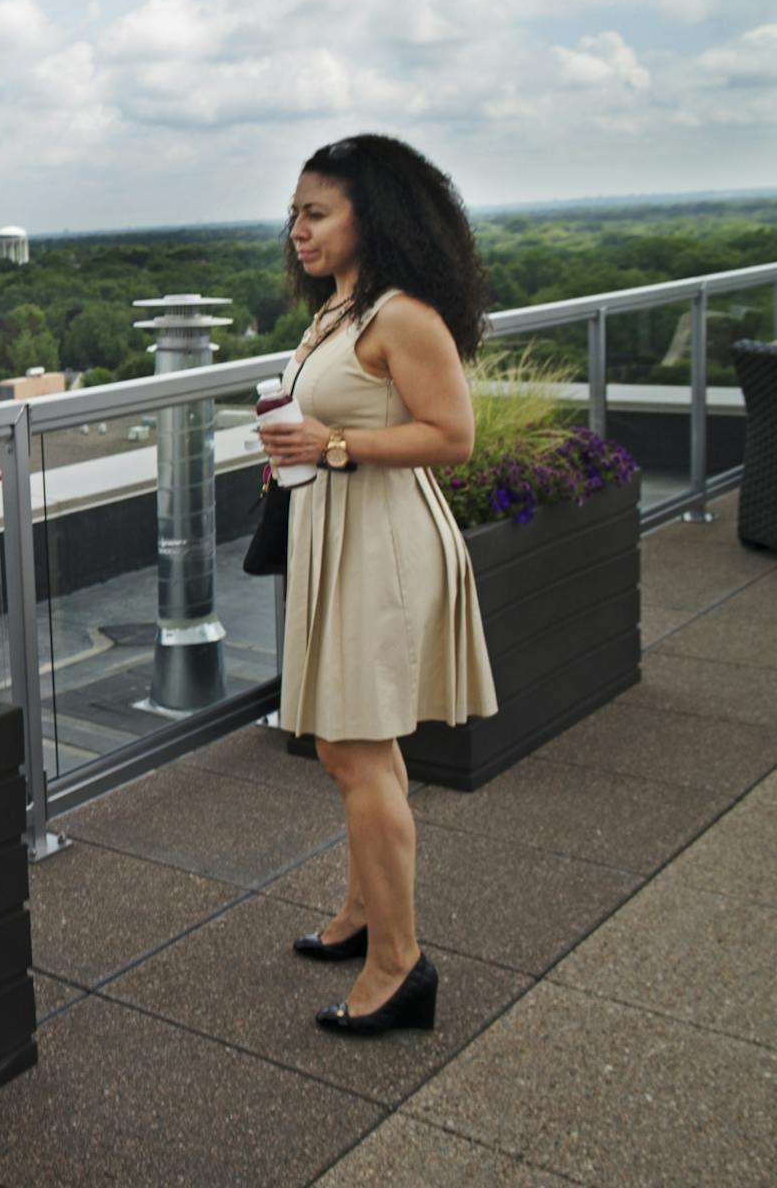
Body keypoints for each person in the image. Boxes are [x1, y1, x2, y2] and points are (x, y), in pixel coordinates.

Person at [259, 134, 497, 1037]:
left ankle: (401, 965)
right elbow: (336, 418)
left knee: (359, 754)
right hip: (341, 533)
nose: (298, 231)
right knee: (347, 748)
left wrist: (333, 445)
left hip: (385, 546)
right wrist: (303, 443)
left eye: (317, 213)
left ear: (374, 216)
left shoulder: (402, 314)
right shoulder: (340, 310)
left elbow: (453, 436)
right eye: (294, 214)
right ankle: (365, 911)